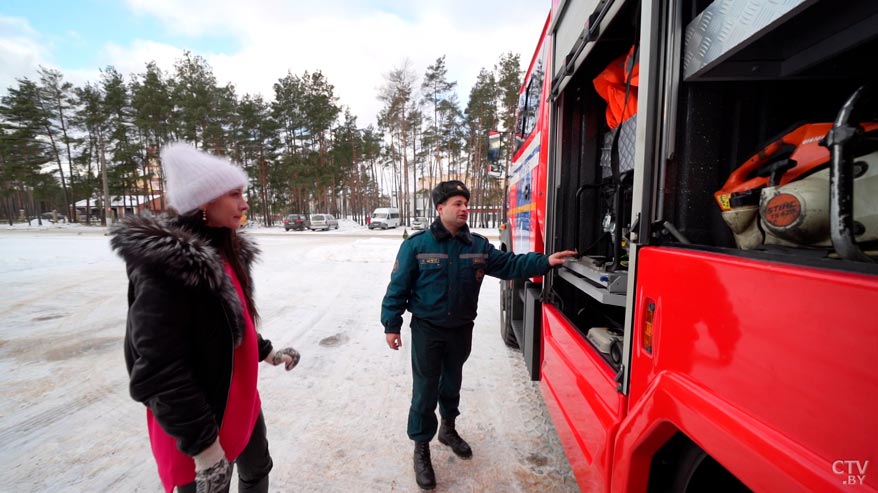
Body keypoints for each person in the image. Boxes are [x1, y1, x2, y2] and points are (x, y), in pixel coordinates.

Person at [110, 143, 300, 493]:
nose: (244, 204)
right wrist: (204, 448)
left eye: (243, 193)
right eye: (234, 194)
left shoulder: (224, 250)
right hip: (201, 420)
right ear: (203, 202)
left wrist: (267, 352)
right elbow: (158, 371)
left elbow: (229, 322)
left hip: (239, 398)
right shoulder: (168, 269)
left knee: (257, 469)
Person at [380, 180, 577, 490]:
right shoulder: (417, 246)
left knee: (452, 382)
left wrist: (544, 261)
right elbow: (398, 287)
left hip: (460, 330)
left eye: (465, 203)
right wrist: (391, 324)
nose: (464, 209)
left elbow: (511, 265)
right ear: (440, 208)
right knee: (425, 390)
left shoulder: (477, 246)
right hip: (428, 330)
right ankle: (421, 448)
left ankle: (448, 429)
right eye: (457, 204)